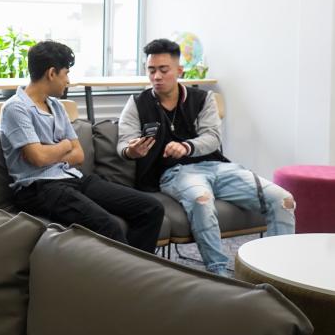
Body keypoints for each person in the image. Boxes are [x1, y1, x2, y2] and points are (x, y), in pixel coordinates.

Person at [117, 38, 295, 275]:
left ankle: (278, 272)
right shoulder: (137, 103)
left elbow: (212, 137)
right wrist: (132, 150)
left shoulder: (203, 99)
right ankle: (220, 271)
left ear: (179, 71)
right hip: (175, 173)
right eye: (151, 70)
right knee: (201, 200)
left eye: (163, 70)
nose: (156, 76)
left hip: (217, 167)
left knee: (284, 200)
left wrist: (187, 147)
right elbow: (124, 142)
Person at [0, 41, 164, 253]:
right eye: (66, 73)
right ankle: (126, 281)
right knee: (108, 226)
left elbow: (78, 155)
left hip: (72, 178)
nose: (68, 81)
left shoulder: (57, 106)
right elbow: (38, 158)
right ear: (51, 73)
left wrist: (53, 151)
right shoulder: (16, 108)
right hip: (38, 189)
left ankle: (137, 274)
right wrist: (64, 145)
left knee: (151, 208)